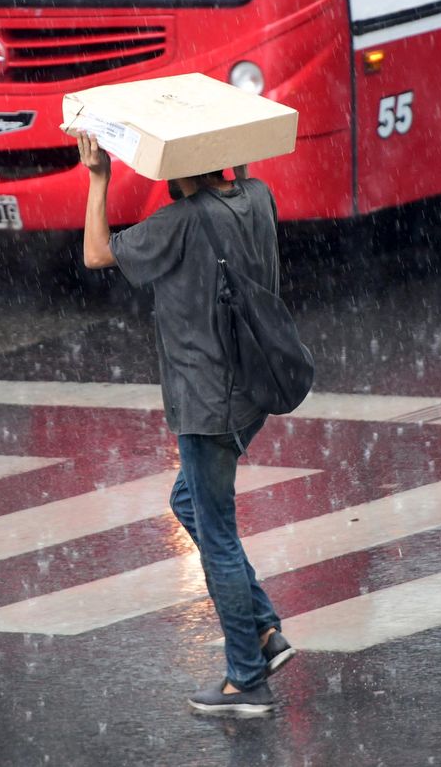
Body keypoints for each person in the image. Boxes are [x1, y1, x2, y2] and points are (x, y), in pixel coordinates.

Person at [78, 132, 294, 717]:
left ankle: (247, 679)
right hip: (253, 386)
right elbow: (236, 187)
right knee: (190, 502)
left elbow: (97, 253)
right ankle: (266, 631)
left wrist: (98, 176)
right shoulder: (258, 196)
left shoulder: (178, 223)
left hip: (206, 400)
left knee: (216, 533)